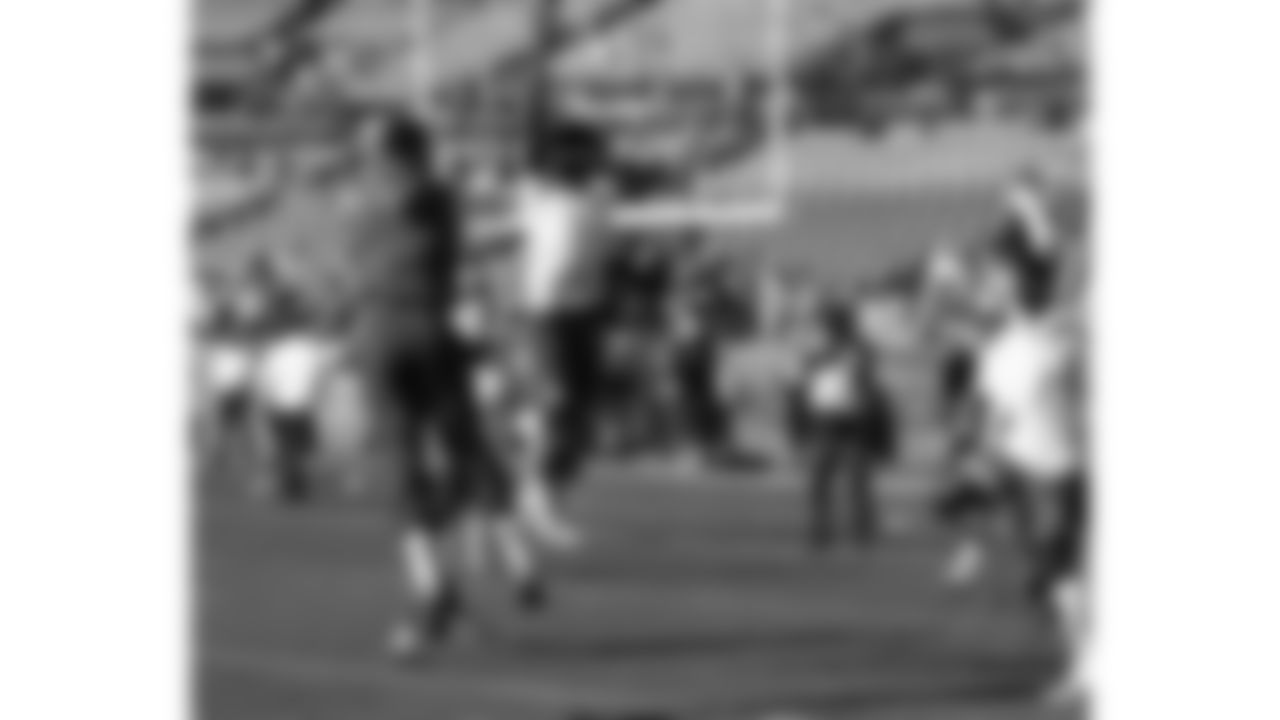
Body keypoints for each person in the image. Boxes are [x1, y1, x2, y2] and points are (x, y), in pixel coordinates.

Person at [352, 110, 535, 660]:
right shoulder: (429, 197)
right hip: (425, 328)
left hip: (385, 331)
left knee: (405, 465)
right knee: (457, 453)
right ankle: (470, 571)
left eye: (374, 152)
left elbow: (402, 214)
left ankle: (438, 585)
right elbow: (423, 213)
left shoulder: (376, 199)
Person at [792, 302, 891, 551]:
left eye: (835, 323)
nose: (833, 328)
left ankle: (860, 529)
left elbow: (867, 380)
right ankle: (822, 529)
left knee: (855, 480)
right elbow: (804, 382)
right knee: (821, 480)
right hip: (826, 420)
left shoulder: (858, 349)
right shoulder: (818, 350)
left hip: (852, 421)